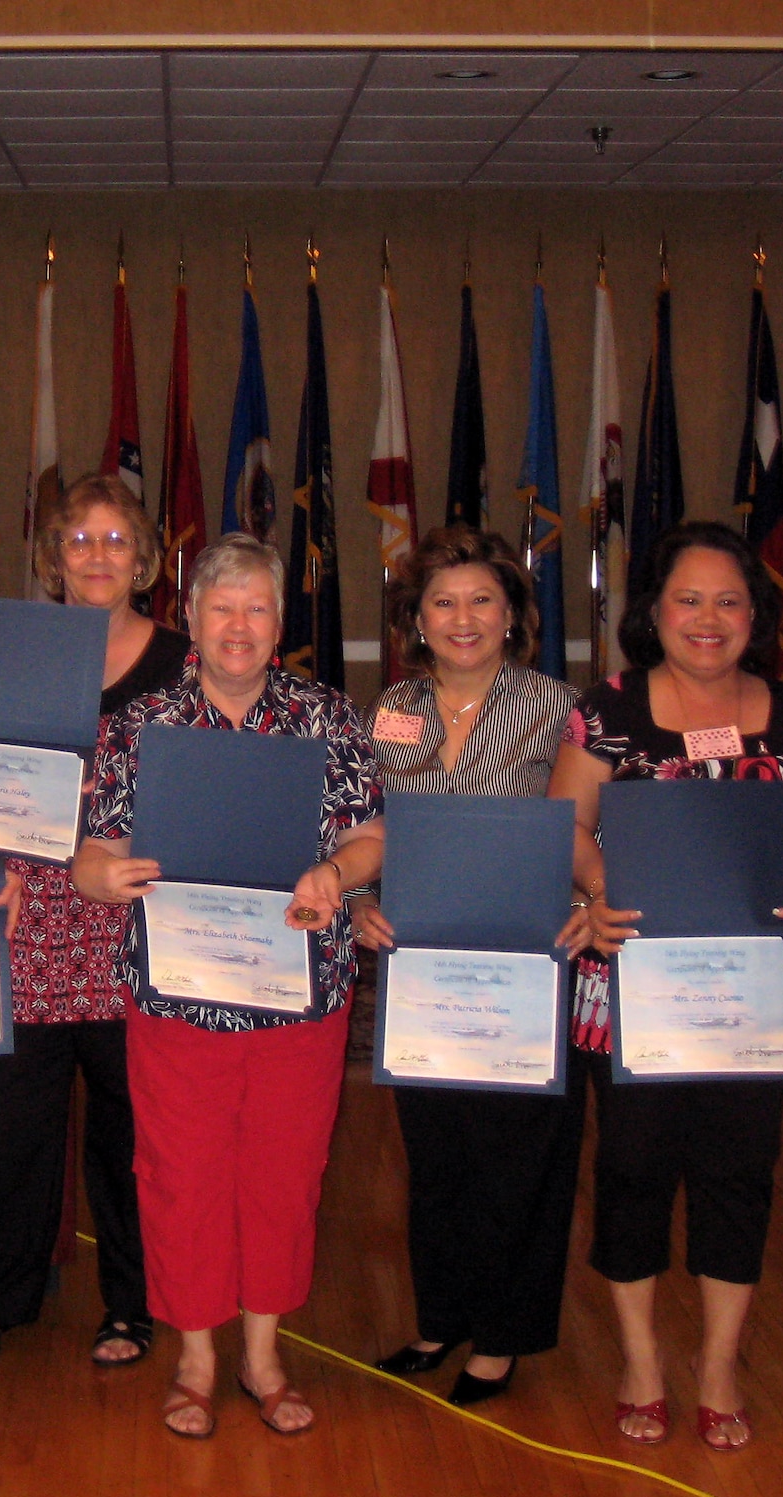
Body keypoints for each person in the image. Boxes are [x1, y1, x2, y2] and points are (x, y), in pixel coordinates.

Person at [74, 533, 384, 1439]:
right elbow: (95, 853)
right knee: (182, 1174)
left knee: (285, 1170)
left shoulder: (326, 717)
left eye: (256, 608)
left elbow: (373, 835)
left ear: (279, 623)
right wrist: (107, 878)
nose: (239, 625)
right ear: (192, 621)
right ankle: (198, 1356)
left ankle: (263, 1353)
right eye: (221, 607)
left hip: (300, 989)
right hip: (179, 993)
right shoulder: (141, 725)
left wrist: (338, 873)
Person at [550, 521, 783, 1453]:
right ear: (655, 611)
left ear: (756, 615)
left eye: (729, 601)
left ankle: (716, 1364)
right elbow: (568, 825)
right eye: (688, 599)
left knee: (737, 1177)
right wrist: (602, 891)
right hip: (631, 985)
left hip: (747, 993)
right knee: (632, 1173)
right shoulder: (609, 710)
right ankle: (640, 1361)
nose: (707, 619)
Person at [0, 474, 189, 1368]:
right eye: (78, 541)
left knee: (135, 1128)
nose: (97, 556)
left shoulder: (185, 661)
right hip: (28, 916)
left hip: (138, 919)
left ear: (146, 559)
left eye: (115, 539)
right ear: (52, 559)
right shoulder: (11, 653)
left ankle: (132, 1304)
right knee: (12, 1119)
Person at [351, 525, 582, 1406]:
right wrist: (361, 901)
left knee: (518, 1155)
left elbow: (587, 824)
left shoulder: (560, 708)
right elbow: (361, 826)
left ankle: (502, 1336)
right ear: (415, 617)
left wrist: (592, 902)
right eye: (442, 601)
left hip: (527, 961)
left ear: (514, 614)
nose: (463, 617)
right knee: (436, 1151)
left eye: (482, 599)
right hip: (418, 965)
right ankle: (440, 1317)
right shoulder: (386, 711)